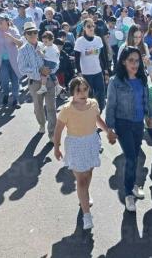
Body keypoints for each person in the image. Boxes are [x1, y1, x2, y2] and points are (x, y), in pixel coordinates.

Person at [54, 76, 117, 230]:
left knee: (88, 174)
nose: (82, 93)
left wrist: (108, 130)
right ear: (72, 93)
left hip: (91, 143)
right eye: (78, 90)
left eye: (85, 89)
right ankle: (86, 215)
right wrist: (57, 146)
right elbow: (58, 129)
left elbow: (97, 120)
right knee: (81, 180)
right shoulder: (66, 109)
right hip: (75, 145)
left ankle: (84, 196)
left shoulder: (93, 104)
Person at [106, 46, 152, 212]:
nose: (135, 64)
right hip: (123, 124)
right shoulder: (116, 82)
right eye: (131, 60)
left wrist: (149, 115)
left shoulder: (142, 78)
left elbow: (146, 98)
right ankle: (128, 194)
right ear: (124, 62)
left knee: (135, 156)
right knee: (131, 158)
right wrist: (109, 129)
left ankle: (132, 185)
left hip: (138, 124)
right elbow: (110, 105)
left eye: (137, 60)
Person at [18, 22, 57, 142]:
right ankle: (41, 124)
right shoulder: (22, 50)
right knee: (38, 107)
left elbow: (55, 60)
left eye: (35, 32)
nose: (33, 34)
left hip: (49, 81)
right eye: (30, 33)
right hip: (35, 82)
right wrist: (39, 70)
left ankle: (52, 134)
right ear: (25, 35)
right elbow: (22, 69)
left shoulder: (44, 45)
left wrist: (50, 70)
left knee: (52, 108)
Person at [0, 13, 23, 108]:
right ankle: (6, 95)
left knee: (15, 80)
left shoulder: (13, 30)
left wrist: (11, 38)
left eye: (2, 19)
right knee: (4, 80)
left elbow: (20, 43)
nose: (0, 21)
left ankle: (16, 99)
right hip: (1, 61)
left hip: (14, 60)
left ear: (7, 21)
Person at [74, 18, 109, 113]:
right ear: (84, 28)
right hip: (85, 74)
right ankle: (89, 118)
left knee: (101, 95)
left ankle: (99, 113)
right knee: (88, 97)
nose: (91, 28)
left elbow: (103, 56)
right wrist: (79, 73)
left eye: (92, 26)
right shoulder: (80, 41)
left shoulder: (98, 40)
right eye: (88, 26)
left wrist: (105, 70)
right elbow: (76, 58)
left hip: (98, 72)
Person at [37, 31, 63, 96]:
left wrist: (39, 53)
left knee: (44, 73)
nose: (44, 43)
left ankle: (43, 87)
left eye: (46, 41)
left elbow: (44, 55)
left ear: (52, 40)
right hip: (53, 63)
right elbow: (44, 51)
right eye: (43, 41)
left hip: (50, 62)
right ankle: (58, 86)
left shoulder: (51, 48)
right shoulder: (51, 46)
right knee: (52, 74)